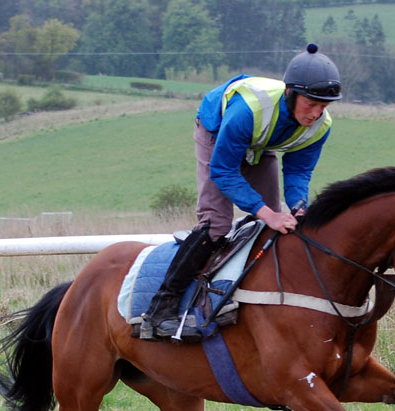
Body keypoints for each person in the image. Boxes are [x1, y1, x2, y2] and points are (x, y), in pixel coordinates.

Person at [141, 43, 342, 340]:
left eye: (323, 106)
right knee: (217, 224)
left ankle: (254, 298)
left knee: (272, 225)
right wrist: (267, 212)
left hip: (261, 142)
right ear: (290, 93)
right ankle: (160, 310)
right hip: (217, 131)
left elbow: (298, 171)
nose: (316, 114)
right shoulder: (248, 111)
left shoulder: (321, 126)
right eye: (310, 104)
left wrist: (298, 206)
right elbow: (223, 171)